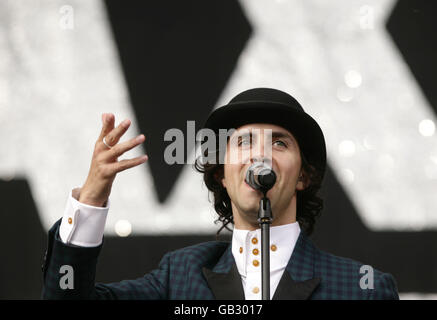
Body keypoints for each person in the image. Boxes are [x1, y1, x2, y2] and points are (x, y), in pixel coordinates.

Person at [41, 88, 399, 299]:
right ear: (222, 175)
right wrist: (89, 200)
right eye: (243, 142)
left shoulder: (362, 288)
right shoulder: (179, 276)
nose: (261, 154)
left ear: (303, 176)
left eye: (279, 142)